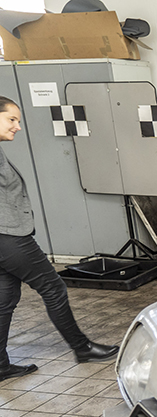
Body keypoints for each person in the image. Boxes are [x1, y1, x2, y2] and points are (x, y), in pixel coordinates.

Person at [0, 96, 118, 382]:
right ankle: (82, 348)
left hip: (6, 237)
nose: (17, 126)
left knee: (5, 298)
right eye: (11, 119)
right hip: (10, 237)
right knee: (54, 288)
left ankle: (0, 365)